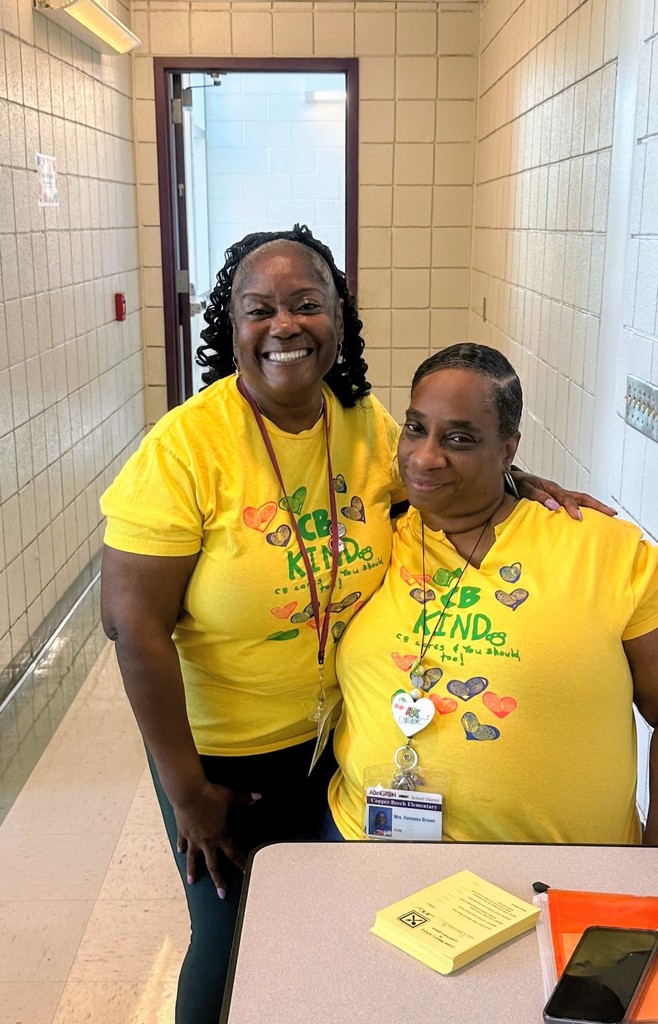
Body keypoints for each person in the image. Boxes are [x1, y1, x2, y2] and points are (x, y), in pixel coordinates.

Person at [99, 227, 613, 1024]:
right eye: (259, 309)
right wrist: (187, 792)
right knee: (228, 938)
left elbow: (436, 471)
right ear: (231, 326)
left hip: (333, 742)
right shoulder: (185, 449)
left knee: (315, 925)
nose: (285, 325)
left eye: (307, 304)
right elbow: (131, 626)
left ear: (338, 318)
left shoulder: (365, 424)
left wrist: (516, 477)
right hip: (221, 756)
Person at [327, 343, 658, 847]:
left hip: (563, 874)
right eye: (415, 428)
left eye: (459, 438)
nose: (425, 456)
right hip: (366, 848)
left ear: (508, 450)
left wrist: (650, 866)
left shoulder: (608, 551)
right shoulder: (373, 539)